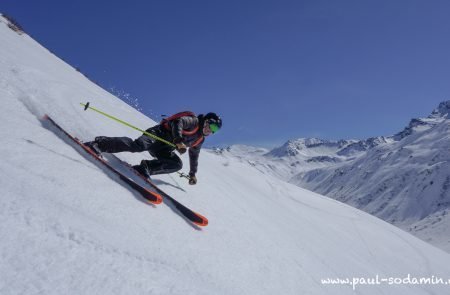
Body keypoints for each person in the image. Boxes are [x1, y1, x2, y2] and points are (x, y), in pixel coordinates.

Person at [84, 112, 222, 185]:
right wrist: (178, 141)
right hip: (158, 134)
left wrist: (192, 173)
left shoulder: (199, 139)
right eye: (212, 126)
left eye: (215, 130)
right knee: (138, 146)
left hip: (164, 148)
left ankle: (146, 168)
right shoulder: (194, 122)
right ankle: (99, 144)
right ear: (206, 121)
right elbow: (177, 122)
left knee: (176, 164)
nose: (212, 131)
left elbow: (194, 156)